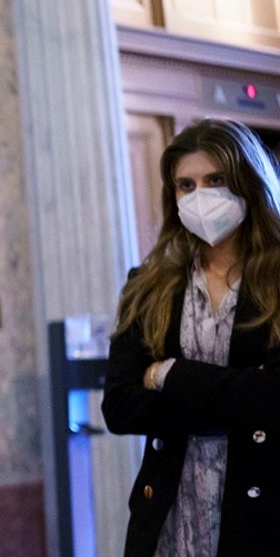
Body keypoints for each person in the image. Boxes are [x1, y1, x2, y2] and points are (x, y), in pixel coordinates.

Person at [101, 119, 280, 556]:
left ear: (248, 182)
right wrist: (239, 396)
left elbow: (274, 398)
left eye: (215, 180)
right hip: (169, 518)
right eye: (186, 185)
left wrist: (168, 374)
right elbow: (120, 407)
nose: (201, 196)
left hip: (262, 514)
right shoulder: (148, 285)